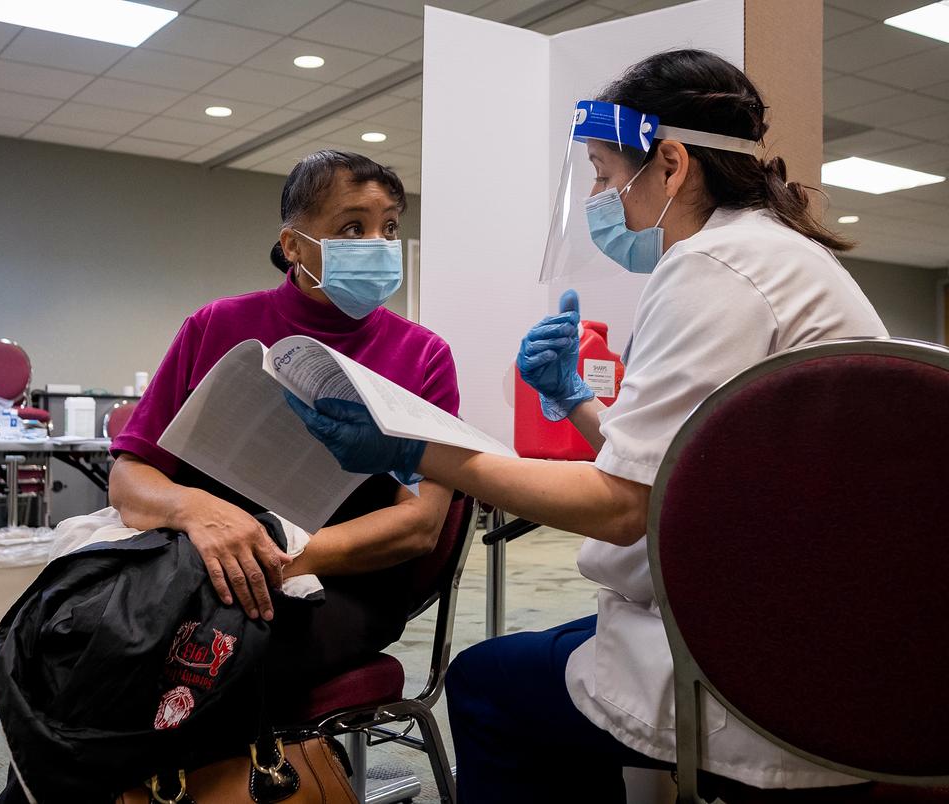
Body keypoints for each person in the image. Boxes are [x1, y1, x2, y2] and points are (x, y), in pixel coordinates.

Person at [287, 51, 887, 801]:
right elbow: (679, 473)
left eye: (605, 175)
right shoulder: (768, 254)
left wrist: (418, 450)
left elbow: (620, 506)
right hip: (791, 608)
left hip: (758, 643)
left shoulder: (714, 268)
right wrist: (577, 402)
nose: (602, 198)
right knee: (562, 647)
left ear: (670, 163)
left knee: (484, 684)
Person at [109, 150, 460, 685]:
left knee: (202, 668)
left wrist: (275, 560)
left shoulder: (423, 356)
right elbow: (130, 477)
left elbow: (419, 524)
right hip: (205, 553)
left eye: (388, 229)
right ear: (293, 245)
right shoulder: (216, 326)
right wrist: (198, 512)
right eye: (352, 227)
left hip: (341, 579)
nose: (378, 245)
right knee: (80, 638)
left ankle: (269, 772)